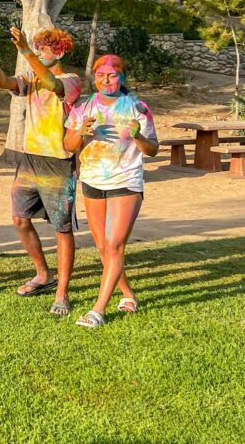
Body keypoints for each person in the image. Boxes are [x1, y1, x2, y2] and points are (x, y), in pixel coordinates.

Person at [0, 26, 80, 317]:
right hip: (30, 159)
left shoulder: (71, 80)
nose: (39, 53)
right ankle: (43, 274)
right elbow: (4, 83)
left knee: (62, 228)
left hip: (57, 161)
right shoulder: (31, 78)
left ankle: (62, 292)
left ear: (59, 52)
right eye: (37, 48)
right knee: (20, 218)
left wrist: (26, 51)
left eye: (44, 49)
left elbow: (53, 84)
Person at [64, 55, 158, 328]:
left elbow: (153, 149)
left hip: (126, 181)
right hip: (92, 181)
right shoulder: (83, 108)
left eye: (112, 75)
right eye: (101, 75)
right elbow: (68, 145)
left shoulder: (137, 108)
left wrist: (138, 135)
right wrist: (81, 132)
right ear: (94, 77)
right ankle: (128, 294)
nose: (106, 80)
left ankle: (98, 310)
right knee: (104, 248)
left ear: (122, 78)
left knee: (115, 245)